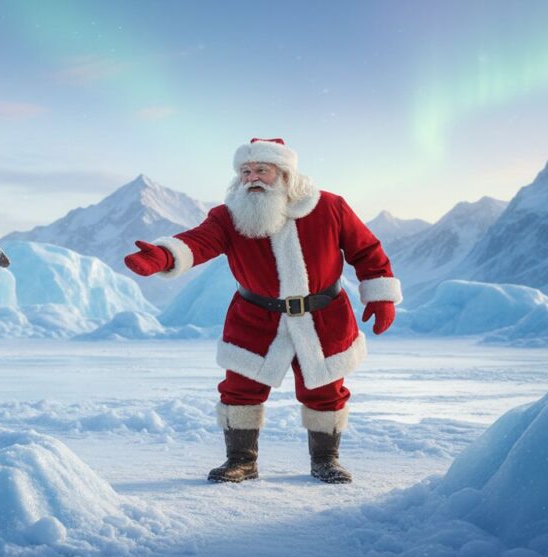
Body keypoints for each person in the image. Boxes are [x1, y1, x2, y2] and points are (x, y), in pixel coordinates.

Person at [124, 138, 400, 485]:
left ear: (284, 173)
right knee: (239, 389)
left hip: (324, 317)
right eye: (246, 171)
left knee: (326, 389)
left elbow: (367, 250)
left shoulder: (329, 207)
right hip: (256, 319)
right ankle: (241, 461)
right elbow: (199, 242)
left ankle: (326, 460)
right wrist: (164, 255)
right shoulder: (228, 216)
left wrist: (380, 295)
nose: (252, 178)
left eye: (261, 170)